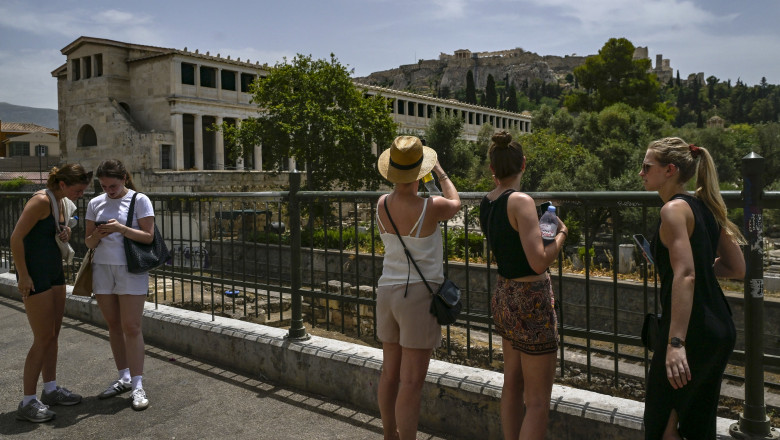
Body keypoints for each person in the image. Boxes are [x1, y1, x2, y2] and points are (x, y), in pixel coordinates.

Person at [640, 138, 745, 439]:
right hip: (719, 328)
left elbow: (686, 275)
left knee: (662, 424)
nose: (641, 173)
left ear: (670, 170)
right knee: (696, 424)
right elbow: (737, 267)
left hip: (691, 331)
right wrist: (699, 266)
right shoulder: (704, 206)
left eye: (647, 167)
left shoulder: (672, 211)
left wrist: (675, 344)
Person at [478, 131, 567, 440]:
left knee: (512, 383)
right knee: (539, 401)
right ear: (523, 164)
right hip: (532, 300)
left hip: (505, 295)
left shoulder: (487, 202)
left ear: (492, 168)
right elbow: (539, 261)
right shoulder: (521, 202)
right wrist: (561, 234)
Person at [375, 136, 461, 440]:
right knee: (411, 382)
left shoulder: (381, 203)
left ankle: (389, 435)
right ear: (418, 170)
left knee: (389, 374)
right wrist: (440, 171)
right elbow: (456, 203)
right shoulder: (430, 206)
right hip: (417, 298)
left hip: (386, 292)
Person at [10, 164, 91, 422]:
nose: (80, 195)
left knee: (54, 334)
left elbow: (48, 234)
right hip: (35, 276)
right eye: (78, 190)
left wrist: (65, 230)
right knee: (42, 338)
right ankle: (27, 401)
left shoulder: (59, 202)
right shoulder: (42, 201)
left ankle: (50, 389)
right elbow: (16, 238)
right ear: (63, 185)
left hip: (53, 271)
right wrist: (23, 275)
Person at [85, 159, 156, 411]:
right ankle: (124, 377)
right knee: (114, 325)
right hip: (103, 269)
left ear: (124, 178)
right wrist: (97, 235)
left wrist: (122, 229)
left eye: (113, 186)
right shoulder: (95, 203)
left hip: (131, 269)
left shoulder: (140, 200)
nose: (109, 191)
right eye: (104, 186)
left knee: (132, 326)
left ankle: (137, 384)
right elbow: (89, 244)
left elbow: (148, 237)